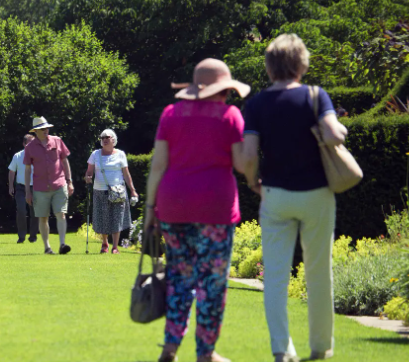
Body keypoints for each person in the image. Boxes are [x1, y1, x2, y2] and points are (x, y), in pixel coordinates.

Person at [242, 34, 347, 362]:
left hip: (275, 194)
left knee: (274, 276)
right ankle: (320, 348)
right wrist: (339, 129)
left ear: (269, 66)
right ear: (302, 63)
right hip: (317, 194)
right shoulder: (316, 96)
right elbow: (333, 134)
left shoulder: (257, 103)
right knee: (318, 272)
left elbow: (247, 156)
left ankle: (281, 350)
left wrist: (253, 182)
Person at [144, 58, 249, 362]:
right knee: (212, 283)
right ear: (221, 90)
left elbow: (158, 166)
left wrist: (150, 208)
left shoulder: (170, 114)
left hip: (173, 206)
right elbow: (242, 164)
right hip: (215, 208)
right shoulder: (231, 116)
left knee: (179, 279)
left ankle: (170, 347)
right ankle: (206, 352)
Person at [23, 117, 74, 255]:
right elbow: (27, 170)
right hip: (40, 188)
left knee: (61, 214)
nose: (46, 130)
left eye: (47, 128)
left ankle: (62, 244)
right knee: (43, 218)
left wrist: (69, 181)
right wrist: (28, 191)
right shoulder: (30, 148)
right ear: (36, 132)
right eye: (42, 129)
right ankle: (47, 247)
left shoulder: (57, 141)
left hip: (59, 184)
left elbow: (65, 161)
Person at [84, 129, 138, 254]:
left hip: (118, 191)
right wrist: (88, 177)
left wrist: (133, 190)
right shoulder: (95, 154)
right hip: (100, 191)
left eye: (107, 137)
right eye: (102, 137)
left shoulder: (120, 154)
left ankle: (115, 247)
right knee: (103, 218)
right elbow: (89, 171)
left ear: (113, 139)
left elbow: (126, 174)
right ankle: (104, 243)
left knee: (117, 218)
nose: (104, 139)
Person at [8, 134, 39, 244]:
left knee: (35, 212)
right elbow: (12, 171)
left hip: (35, 187)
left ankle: (33, 236)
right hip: (21, 187)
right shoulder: (17, 156)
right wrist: (11, 186)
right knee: (21, 210)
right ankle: (21, 236)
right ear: (24, 144)